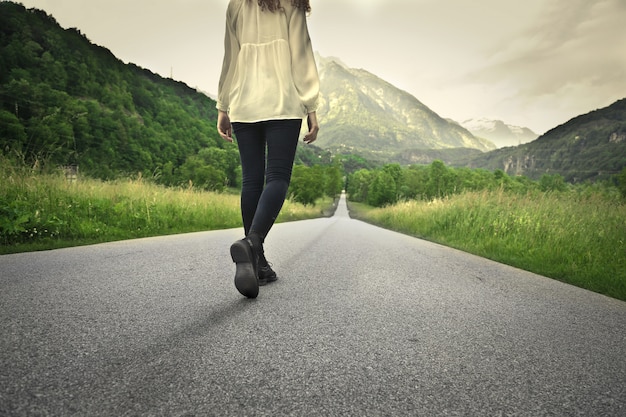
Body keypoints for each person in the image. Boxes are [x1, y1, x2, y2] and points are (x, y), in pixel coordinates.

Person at [216, 0, 320, 298]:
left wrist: (223, 106)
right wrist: (311, 105)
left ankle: (258, 266)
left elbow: (230, 57)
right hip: (283, 102)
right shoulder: (292, 3)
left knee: (252, 181)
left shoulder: (237, 4)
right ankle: (252, 244)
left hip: (244, 102)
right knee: (277, 177)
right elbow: (301, 53)